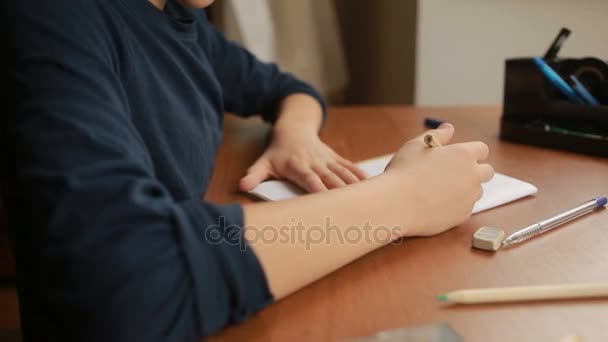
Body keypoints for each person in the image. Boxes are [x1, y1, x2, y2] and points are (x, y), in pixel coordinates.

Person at [6, 0, 494, 341]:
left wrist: (296, 133)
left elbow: (290, 88)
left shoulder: (181, 19)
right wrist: (403, 198)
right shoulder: (53, 16)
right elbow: (130, 276)